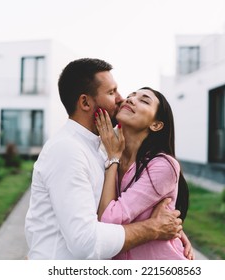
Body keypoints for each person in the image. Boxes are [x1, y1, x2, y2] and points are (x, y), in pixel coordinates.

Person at [24, 58, 191, 259]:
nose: (122, 99)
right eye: (112, 93)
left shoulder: (102, 152)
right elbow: (86, 242)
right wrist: (153, 229)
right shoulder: (67, 150)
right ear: (85, 102)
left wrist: (174, 231)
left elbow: (133, 204)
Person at [95, 86, 193, 259]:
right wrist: (154, 226)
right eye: (131, 96)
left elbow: (108, 220)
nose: (130, 99)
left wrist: (113, 159)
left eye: (144, 100)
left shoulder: (163, 165)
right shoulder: (108, 156)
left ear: (156, 125)